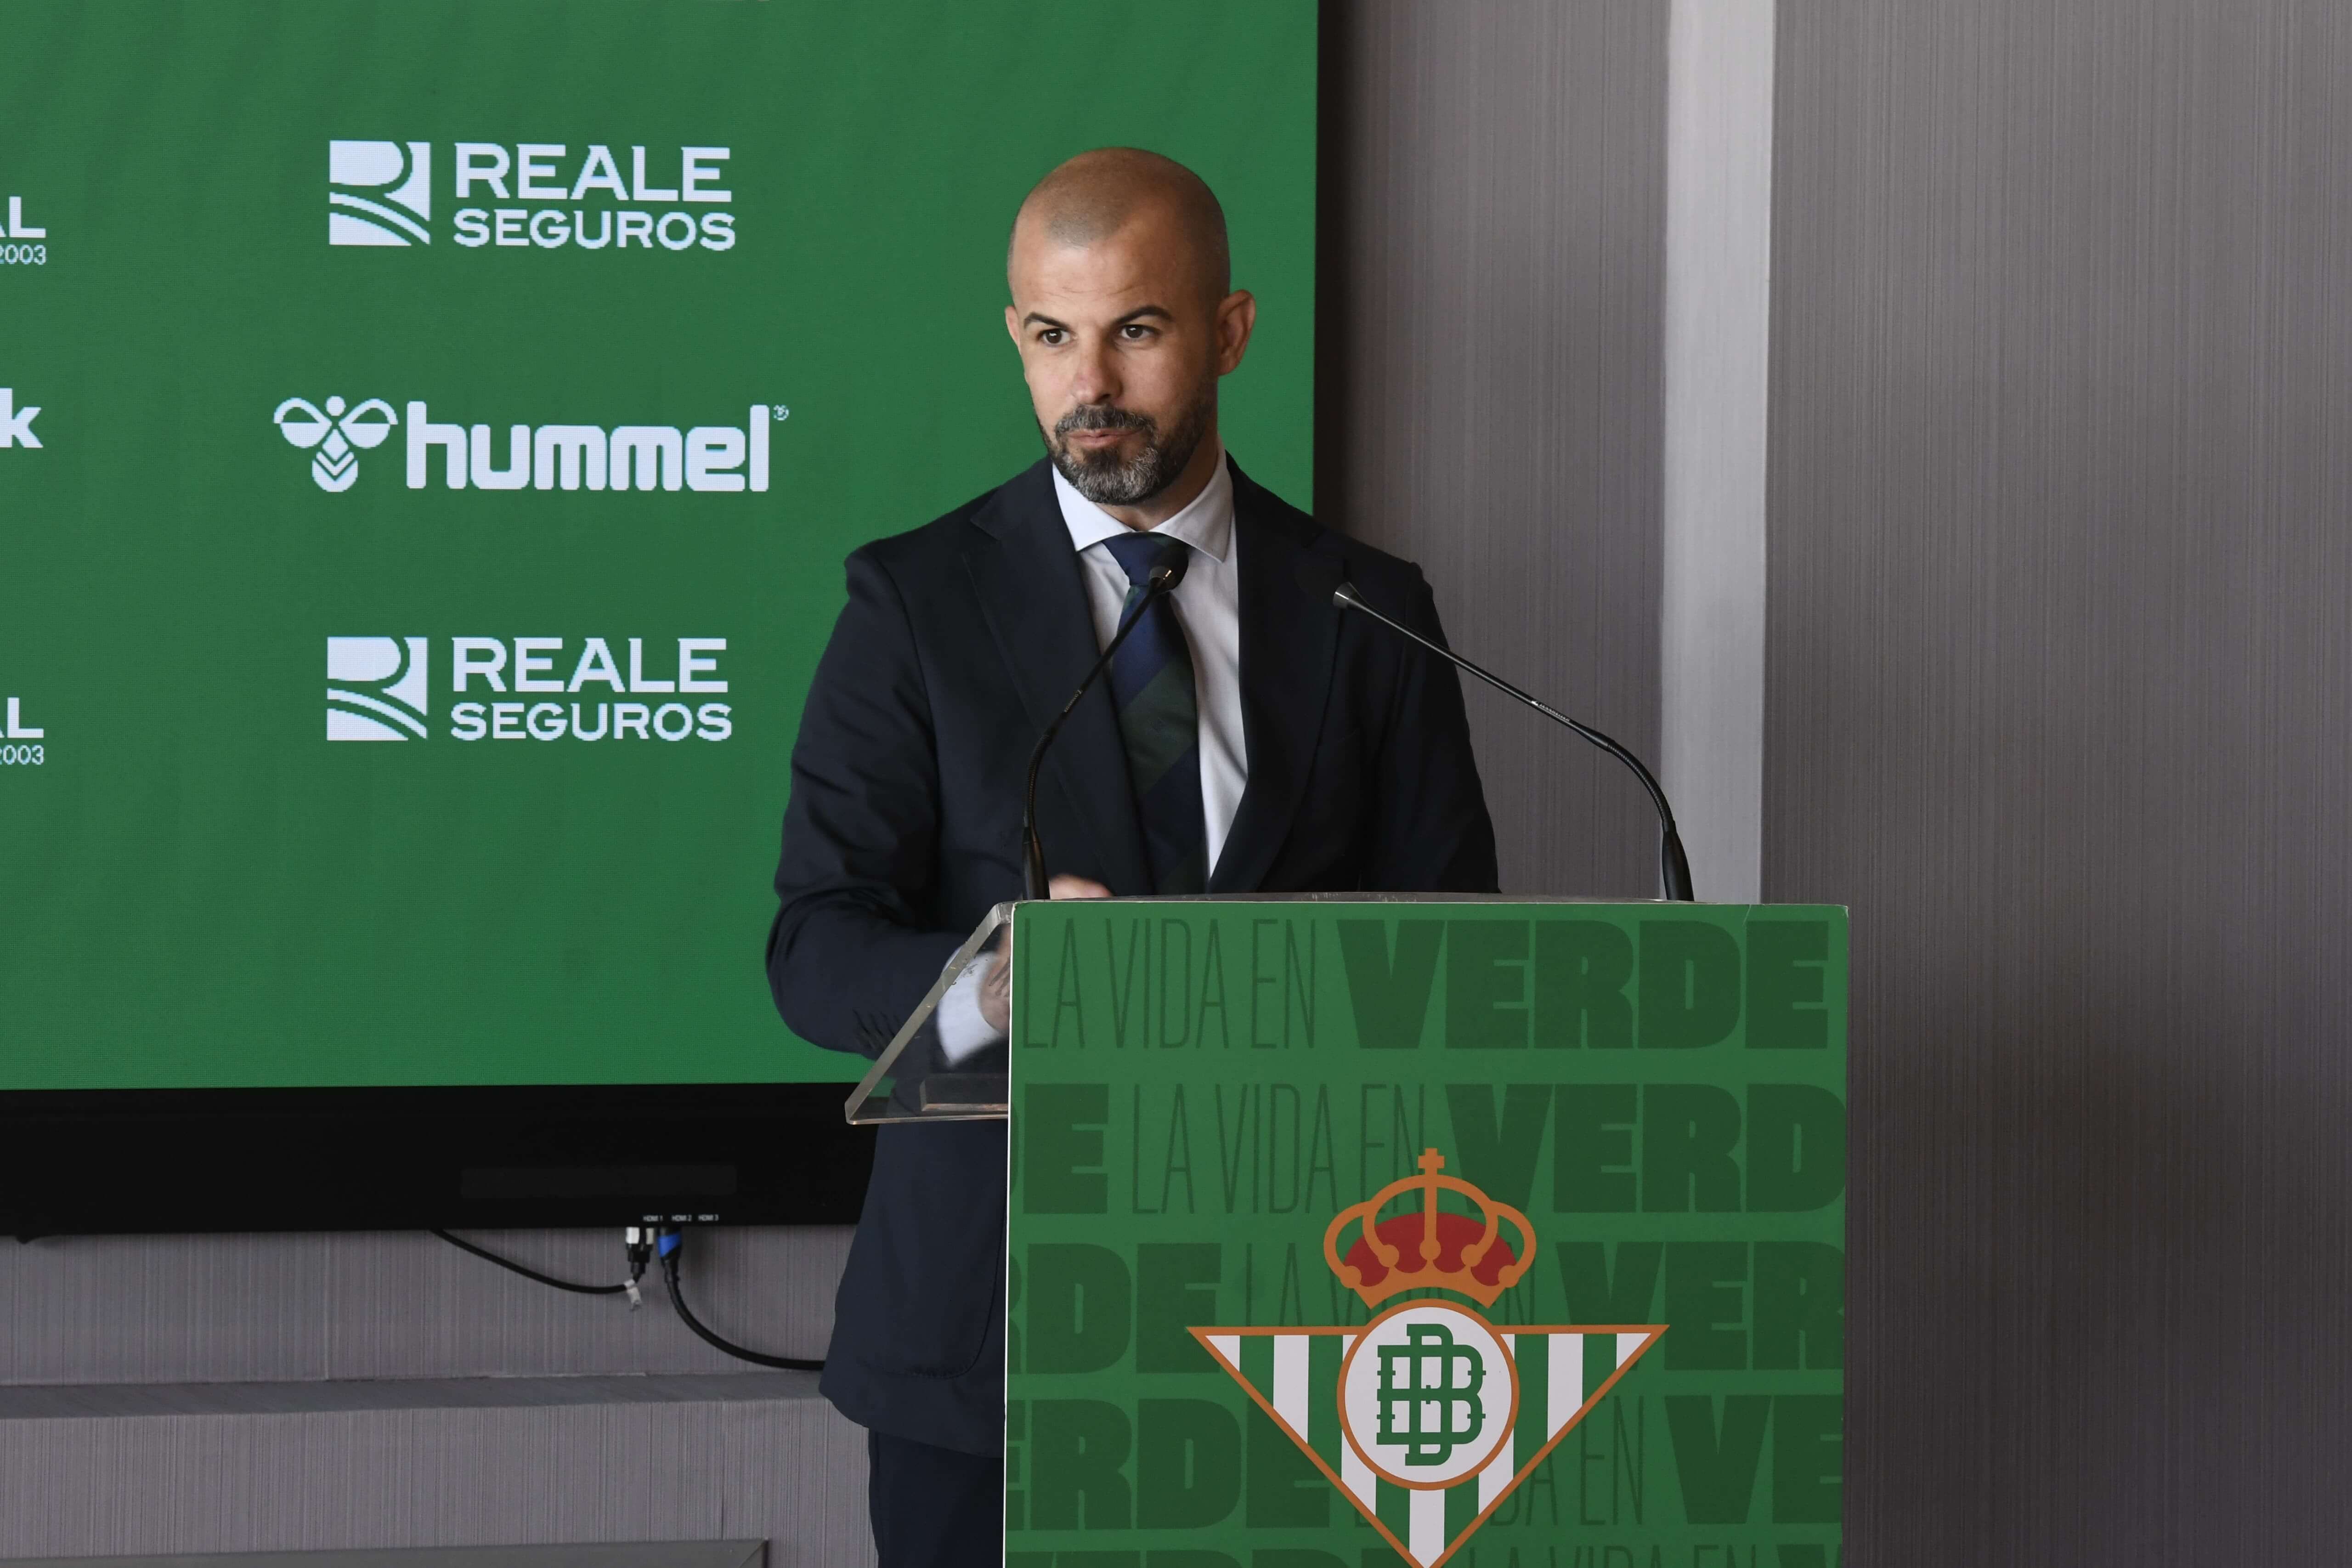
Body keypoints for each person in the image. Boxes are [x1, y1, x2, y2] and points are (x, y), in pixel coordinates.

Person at [766, 147, 1498, 1568]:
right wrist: (989, 984)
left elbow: (1454, 957)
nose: (1088, 382)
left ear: (1228, 331)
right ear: (1016, 338)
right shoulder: (915, 604)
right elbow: (813, 950)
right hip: (991, 1343)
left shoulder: (1371, 611)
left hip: (1307, 1327)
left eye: (1136, 330)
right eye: (1051, 336)